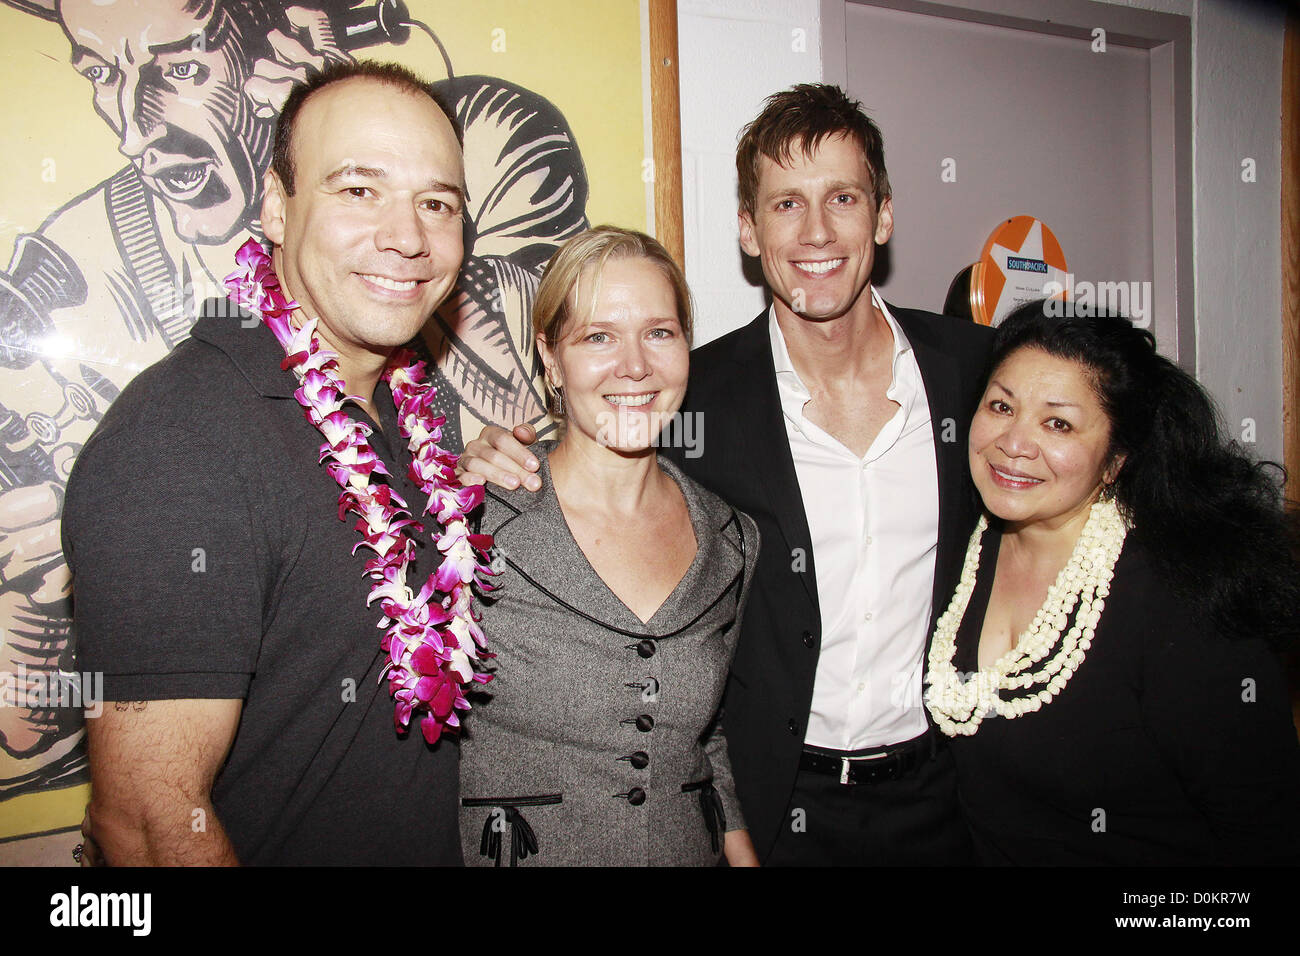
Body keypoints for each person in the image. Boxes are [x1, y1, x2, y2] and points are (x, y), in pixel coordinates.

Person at [459, 84, 993, 865]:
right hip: (773, 806)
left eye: (842, 197)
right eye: (784, 205)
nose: (816, 231)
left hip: (943, 798)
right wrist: (485, 456)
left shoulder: (974, 376)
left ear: (883, 214)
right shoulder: (691, 396)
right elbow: (594, 428)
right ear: (748, 229)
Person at [62, 60, 479, 865]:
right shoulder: (178, 438)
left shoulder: (415, 412)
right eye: (359, 190)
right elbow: (148, 822)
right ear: (277, 207)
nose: (408, 236)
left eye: (438, 203)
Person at [926, 300, 1300, 864]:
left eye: (1058, 423)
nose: (1014, 442)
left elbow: (1267, 835)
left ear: (1115, 460)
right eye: (1001, 406)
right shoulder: (955, 548)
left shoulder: (1182, 595)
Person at [458, 226, 760, 866]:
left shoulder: (731, 540)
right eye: (599, 337)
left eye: (659, 332)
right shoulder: (474, 520)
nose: (635, 366)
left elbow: (708, 740)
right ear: (550, 357)